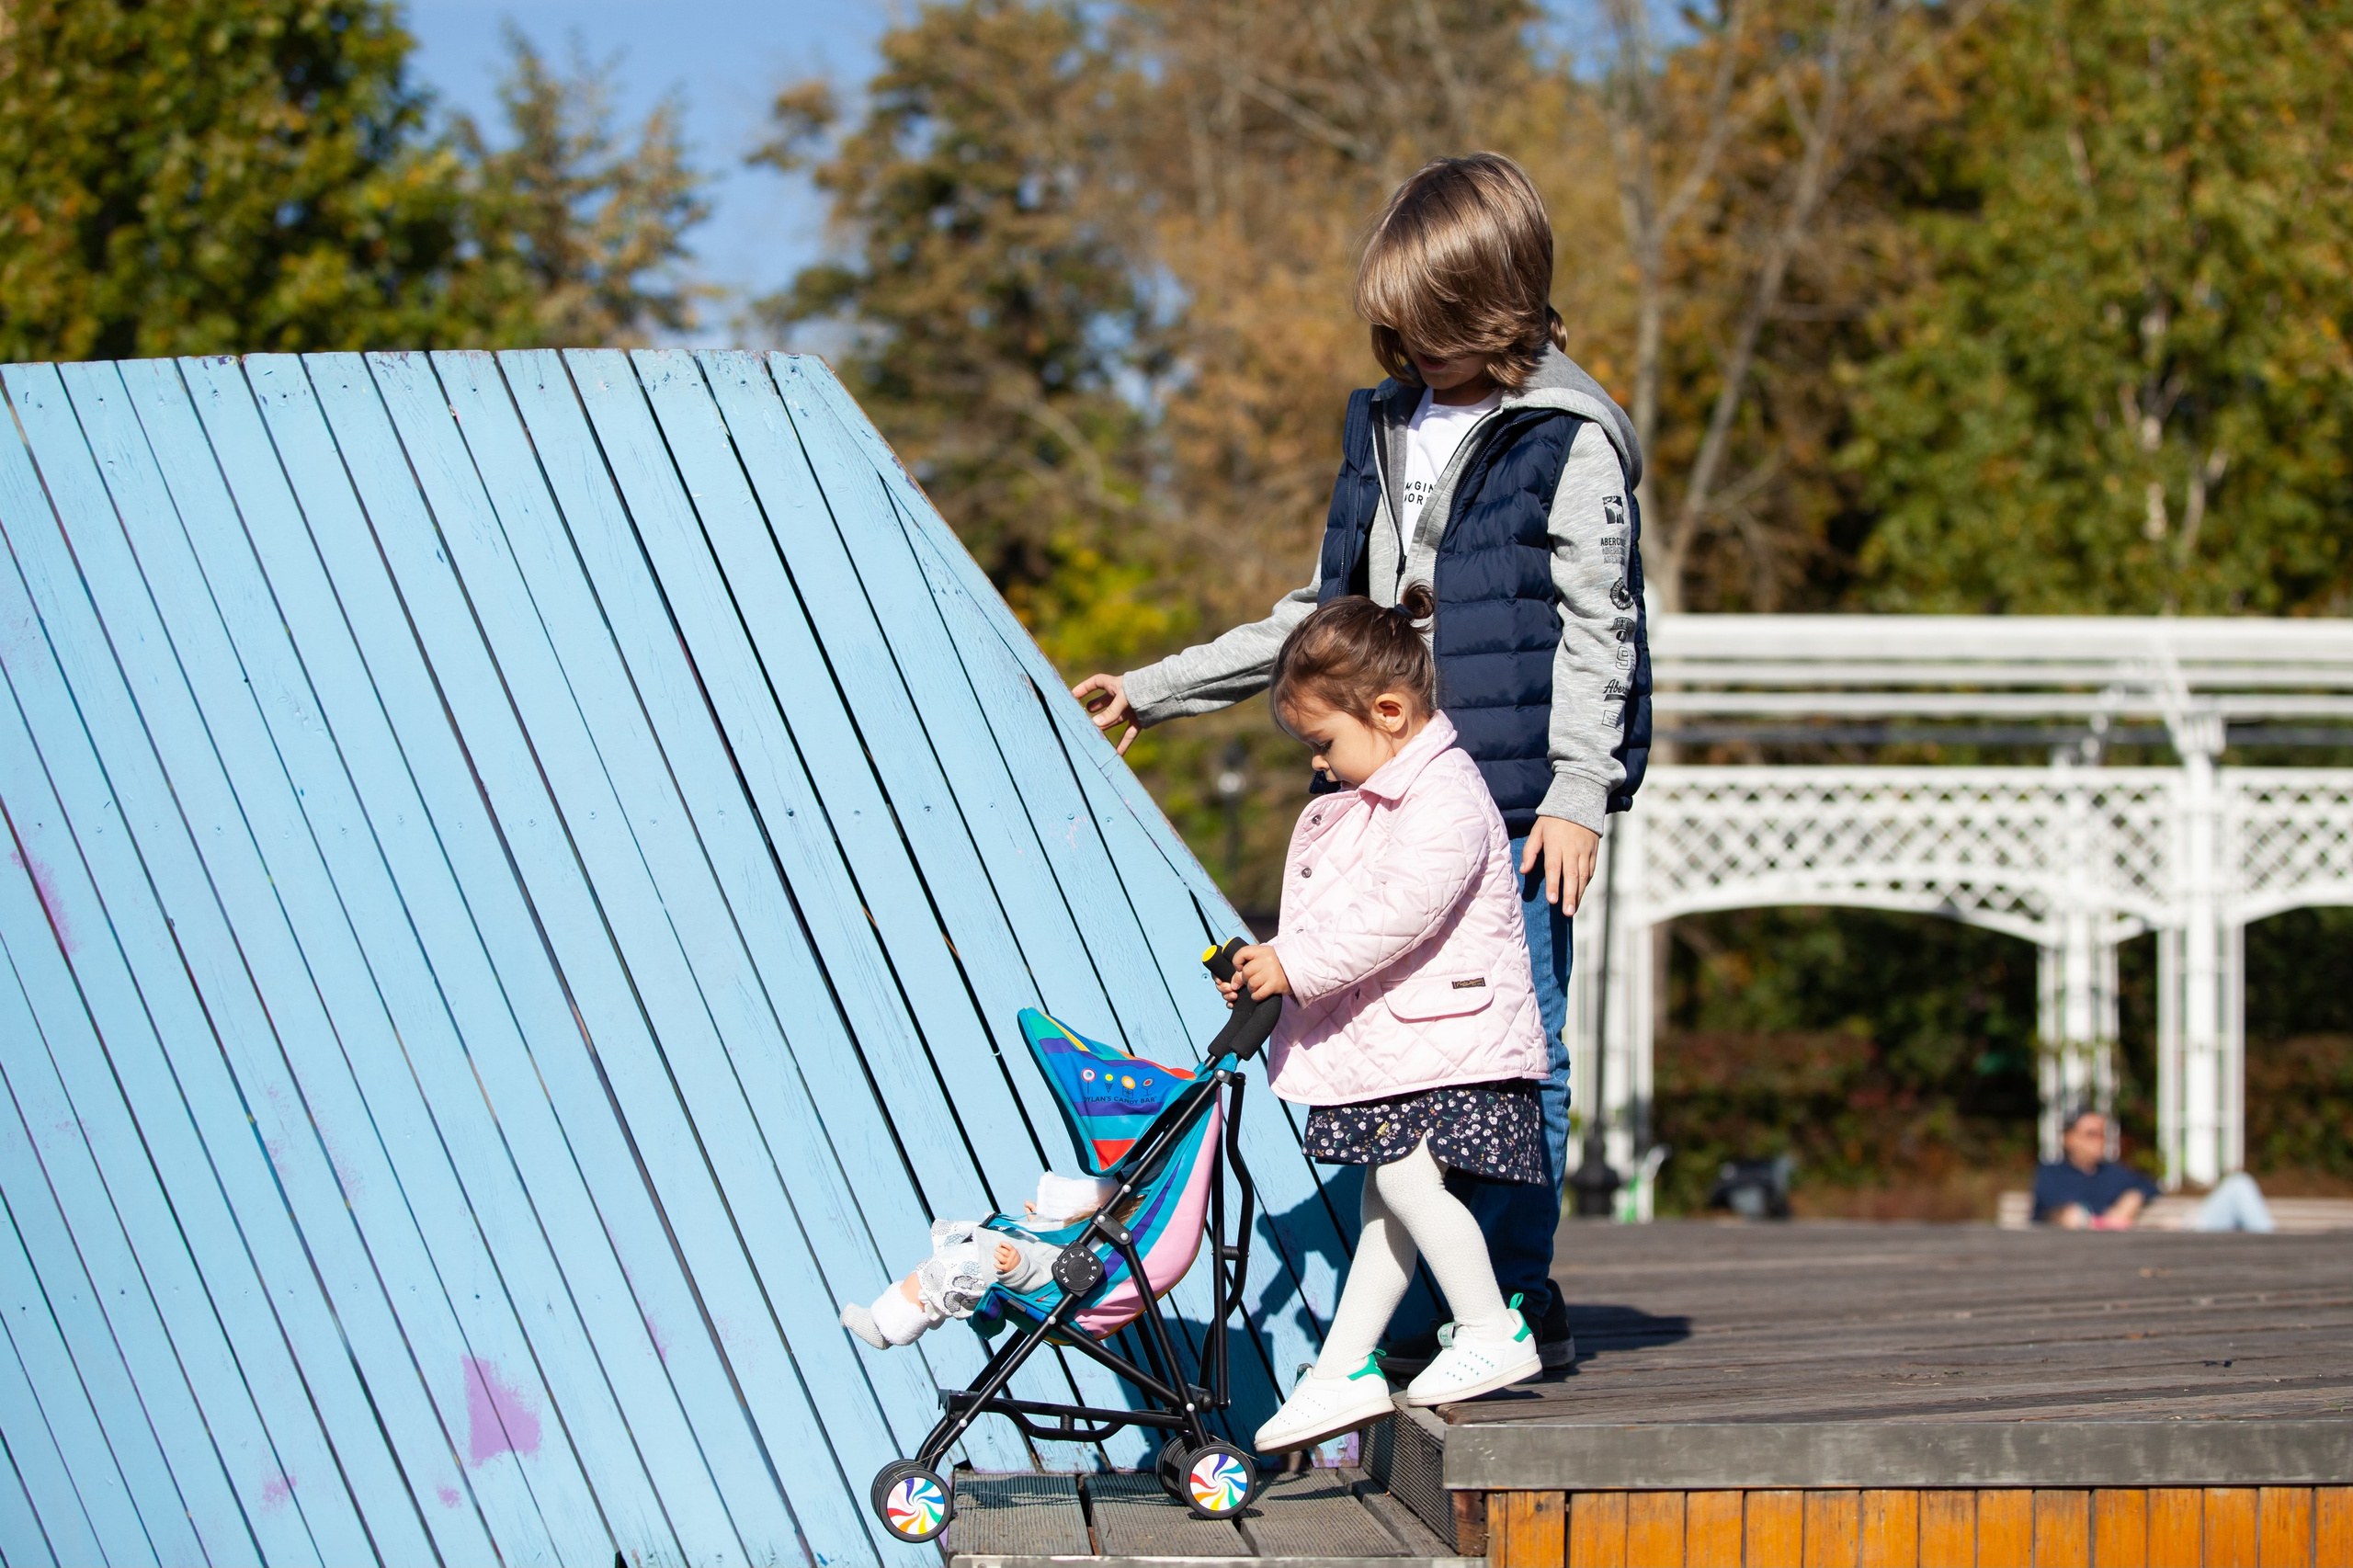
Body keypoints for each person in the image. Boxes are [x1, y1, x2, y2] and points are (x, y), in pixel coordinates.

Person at [1072, 153, 1648, 1370]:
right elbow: (1320, 618)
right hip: (1388, 800)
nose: (1417, 350)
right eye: (1402, 327)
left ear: (1501, 302)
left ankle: (1516, 1298)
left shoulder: (1568, 439)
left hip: (1515, 807)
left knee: (1513, 1054)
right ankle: (1438, 1300)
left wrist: (1582, 793)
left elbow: (1604, 627)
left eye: (1440, 327)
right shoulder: (1383, 424)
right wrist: (1162, 689)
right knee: (1403, 1063)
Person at [1224, 588, 1551, 1452]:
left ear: (1391, 712)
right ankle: (1341, 1370)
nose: (1321, 766)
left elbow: (1397, 910)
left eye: (1325, 744)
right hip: (1416, 1038)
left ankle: (1490, 1328)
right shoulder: (1389, 796)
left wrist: (1296, 964)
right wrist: (1276, 966)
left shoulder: (1443, 794)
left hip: (1451, 1037)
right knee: (1385, 1201)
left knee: (1405, 1183)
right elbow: (1350, 906)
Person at [839, 1173, 1120, 1348]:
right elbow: (1049, 1245)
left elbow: (1053, 1271)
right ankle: (894, 1321)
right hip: (986, 1255)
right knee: (933, 1273)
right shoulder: (1081, 1236)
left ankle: (888, 1327)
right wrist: (1040, 1222)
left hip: (989, 1269)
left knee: (930, 1277)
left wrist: (1019, 1270)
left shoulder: (1087, 1254)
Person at [2033, 1108, 2275, 1233]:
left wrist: (2133, 1198)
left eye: (2102, 1134)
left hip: (2159, 1241)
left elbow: (2150, 1184)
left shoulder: (2112, 1172)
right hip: (2088, 1260)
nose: (2100, 1140)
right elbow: (2050, 1214)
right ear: (2069, 1139)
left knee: (2239, 1185)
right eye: (2091, 1134)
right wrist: (2084, 1219)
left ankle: (2274, 1251)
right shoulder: (2052, 1173)